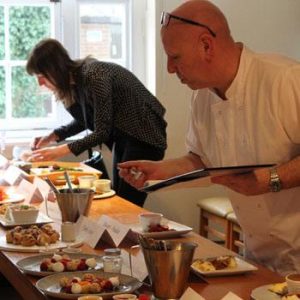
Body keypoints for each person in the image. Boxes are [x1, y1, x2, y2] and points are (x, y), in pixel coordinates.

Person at [119, 0, 300, 275]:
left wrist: (271, 180)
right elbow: (200, 159)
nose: (169, 68)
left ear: (206, 45)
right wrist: (159, 171)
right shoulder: (201, 95)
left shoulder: (285, 79)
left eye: (175, 57)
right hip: (258, 255)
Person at [26, 38, 167, 207]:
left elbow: (102, 132)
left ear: (54, 69)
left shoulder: (94, 75)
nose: (40, 83)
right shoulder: (76, 83)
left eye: (41, 76)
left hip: (144, 136)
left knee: (127, 204)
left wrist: (59, 151)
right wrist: (53, 136)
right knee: (121, 200)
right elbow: (86, 121)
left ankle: (133, 233)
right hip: (125, 138)